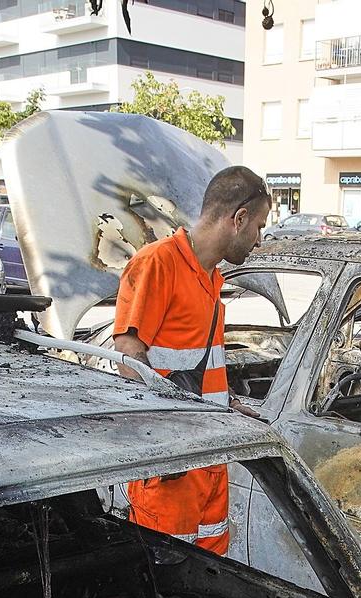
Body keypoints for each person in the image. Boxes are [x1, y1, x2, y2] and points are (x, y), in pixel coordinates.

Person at [110, 165, 271, 556]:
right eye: (259, 227)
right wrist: (167, 438)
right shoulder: (158, 263)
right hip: (172, 468)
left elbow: (198, 365)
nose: (259, 240)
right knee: (164, 577)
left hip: (209, 458)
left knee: (210, 576)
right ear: (239, 218)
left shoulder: (211, 277)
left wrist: (227, 403)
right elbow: (129, 359)